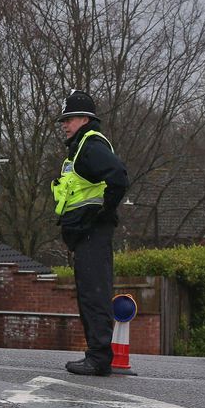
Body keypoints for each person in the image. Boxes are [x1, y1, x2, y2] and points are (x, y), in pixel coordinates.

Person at [51, 90, 129, 376]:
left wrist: (104, 211)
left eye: (69, 119)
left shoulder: (90, 145)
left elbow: (118, 177)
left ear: (84, 119)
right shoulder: (80, 147)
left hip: (92, 232)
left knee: (95, 295)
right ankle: (96, 354)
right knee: (89, 294)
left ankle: (98, 357)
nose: (64, 124)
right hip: (85, 233)